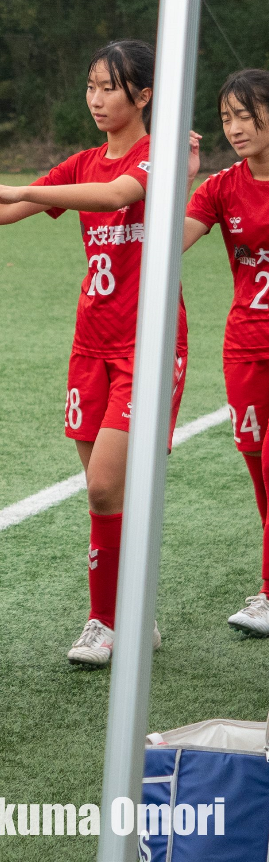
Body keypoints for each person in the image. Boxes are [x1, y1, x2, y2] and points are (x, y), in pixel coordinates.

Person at [0, 39, 198, 668]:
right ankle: (134, 612)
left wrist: (20, 189)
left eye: (108, 87)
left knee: (106, 485)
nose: (95, 99)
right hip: (92, 343)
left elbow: (116, 197)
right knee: (104, 489)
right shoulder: (84, 161)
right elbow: (13, 209)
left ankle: (104, 622)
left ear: (142, 95)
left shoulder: (159, 156)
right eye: (90, 86)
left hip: (148, 340)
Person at [183, 68, 269, 638]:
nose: (234, 128)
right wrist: (181, 179)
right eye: (225, 119)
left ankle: (267, 591)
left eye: (245, 115)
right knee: (259, 472)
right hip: (244, 348)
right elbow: (163, 245)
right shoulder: (220, 187)